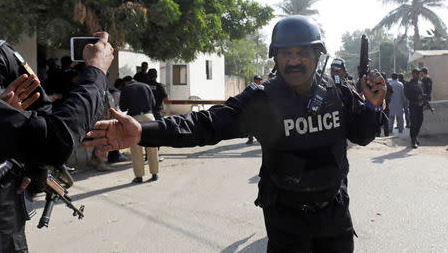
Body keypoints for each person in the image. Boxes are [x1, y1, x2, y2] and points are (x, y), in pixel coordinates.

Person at [85, 16, 386, 252]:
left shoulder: (340, 94)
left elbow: (362, 135)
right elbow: (205, 125)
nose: (294, 61)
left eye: (303, 52)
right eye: (286, 54)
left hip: (334, 215)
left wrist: (373, 108)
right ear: (275, 58)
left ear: (317, 55)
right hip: (286, 220)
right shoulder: (261, 100)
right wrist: (143, 132)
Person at [0, 32, 113, 253]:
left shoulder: (3, 54)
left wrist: (34, 166)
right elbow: (56, 139)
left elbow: (39, 106)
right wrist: (97, 70)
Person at [119, 76, 159, 183]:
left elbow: (122, 107)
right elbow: (154, 103)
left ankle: (139, 176)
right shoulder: (146, 86)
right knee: (152, 146)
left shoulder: (126, 89)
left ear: (125, 83)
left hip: (134, 118)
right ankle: (155, 173)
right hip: (149, 116)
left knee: (136, 148)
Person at [404, 68, 425, 148]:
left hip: (420, 106)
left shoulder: (421, 83)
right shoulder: (408, 84)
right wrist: (416, 97)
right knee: (414, 123)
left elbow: (423, 94)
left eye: (419, 74)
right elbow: (407, 95)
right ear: (413, 74)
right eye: (417, 74)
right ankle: (413, 140)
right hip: (413, 106)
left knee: (420, 122)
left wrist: (425, 102)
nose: (418, 75)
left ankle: (414, 136)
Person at [246, 75, 263, 145]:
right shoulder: (251, 87)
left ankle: (260, 138)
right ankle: (250, 139)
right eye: (258, 80)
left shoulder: (261, 87)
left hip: (259, 109)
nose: (259, 81)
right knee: (251, 124)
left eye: (260, 80)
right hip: (252, 108)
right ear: (255, 80)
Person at [378, 72, 393, 137]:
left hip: (379, 104)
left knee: (378, 119)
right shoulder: (388, 85)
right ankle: (386, 134)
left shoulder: (378, 85)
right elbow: (392, 93)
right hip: (386, 103)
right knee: (386, 119)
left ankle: (378, 134)